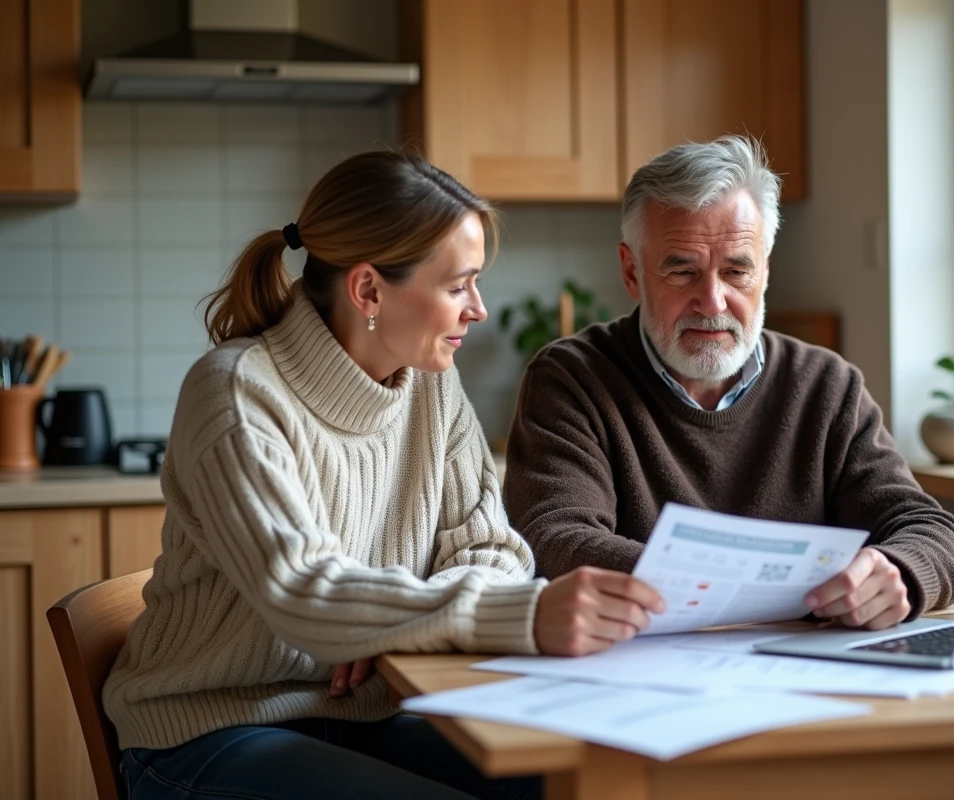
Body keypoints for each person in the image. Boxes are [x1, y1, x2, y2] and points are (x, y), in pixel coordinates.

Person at [103, 151, 665, 800]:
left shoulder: (431, 384)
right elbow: (303, 594)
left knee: (578, 785)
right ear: (369, 290)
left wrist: (396, 621)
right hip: (209, 729)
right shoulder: (236, 393)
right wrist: (513, 615)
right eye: (458, 286)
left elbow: (493, 549)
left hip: (369, 711)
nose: (479, 309)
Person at [504, 135, 954, 631]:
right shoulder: (572, 378)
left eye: (736, 271)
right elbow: (554, 538)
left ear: (765, 271)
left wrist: (897, 571)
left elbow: (930, 529)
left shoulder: (827, 385)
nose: (713, 301)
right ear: (632, 271)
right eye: (682, 271)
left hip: (802, 667)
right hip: (641, 661)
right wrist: (745, 585)